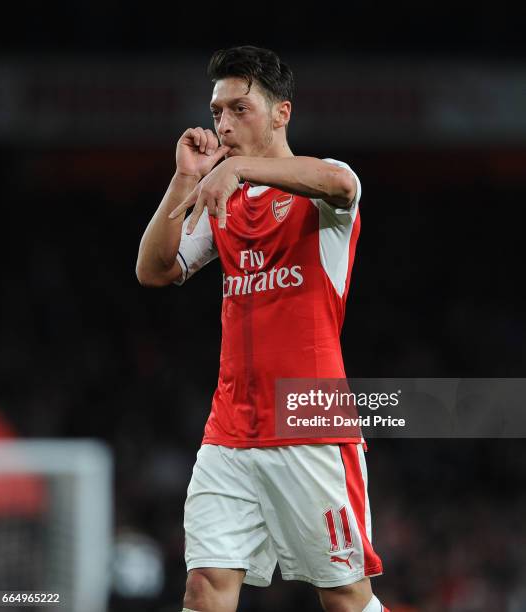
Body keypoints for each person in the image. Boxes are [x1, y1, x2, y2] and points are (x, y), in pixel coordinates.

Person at [136, 45, 387, 612]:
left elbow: (340, 184)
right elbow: (154, 271)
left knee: (345, 598)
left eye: (239, 109)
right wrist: (184, 180)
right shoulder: (226, 199)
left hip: (309, 422)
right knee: (204, 588)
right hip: (229, 428)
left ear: (282, 113)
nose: (223, 124)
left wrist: (237, 169)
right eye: (217, 110)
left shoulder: (327, 189)